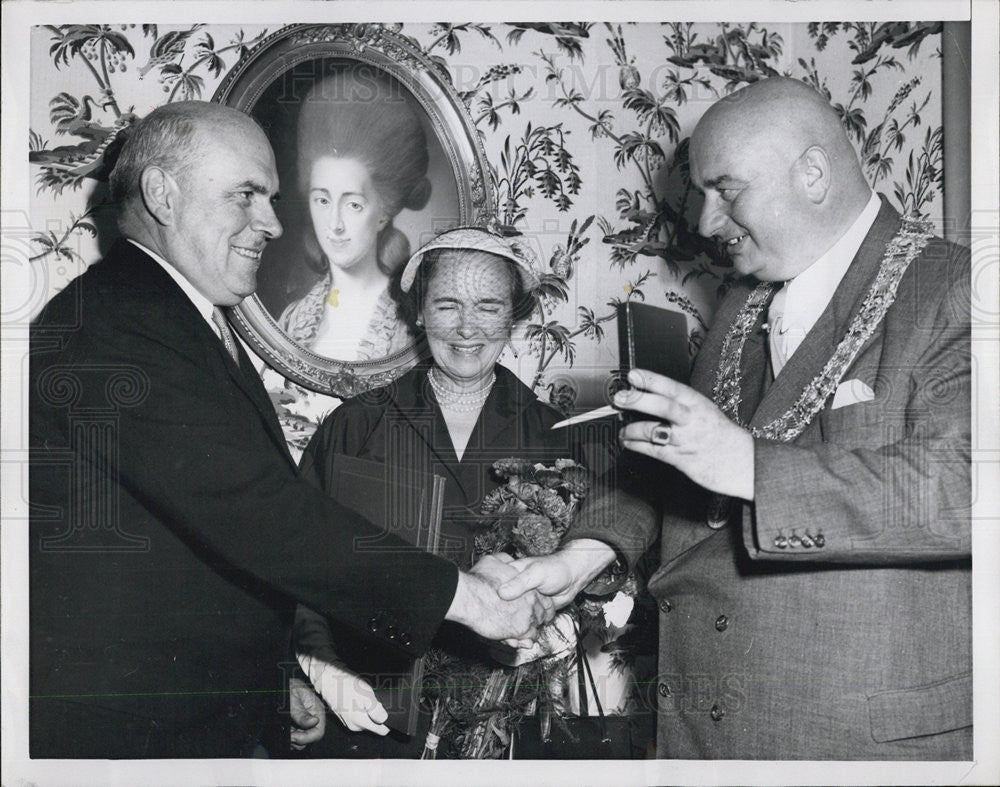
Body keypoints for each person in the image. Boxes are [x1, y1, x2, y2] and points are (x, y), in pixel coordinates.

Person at [28, 102, 552, 759]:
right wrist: (465, 596)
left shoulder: (179, 315)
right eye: (247, 195)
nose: (274, 223)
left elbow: (206, 546)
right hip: (134, 736)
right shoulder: (115, 321)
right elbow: (262, 515)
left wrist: (277, 676)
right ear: (163, 194)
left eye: (272, 198)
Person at [499, 77, 972, 759]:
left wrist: (749, 465)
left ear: (812, 173)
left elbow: (969, 488)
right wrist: (585, 555)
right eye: (702, 193)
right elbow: (673, 462)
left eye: (727, 189)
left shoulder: (957, 287)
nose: (705, 222)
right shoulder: (742, 302)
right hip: (703, 736)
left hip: (858, 747)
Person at [292, 227, 616, 758]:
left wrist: (557, 628)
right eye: (447, 305)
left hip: (506, 728)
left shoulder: (561, 438)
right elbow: (301, 559)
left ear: (513, 316)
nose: (467, 328)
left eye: (488, 306)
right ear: (419, 312)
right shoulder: (355, 428)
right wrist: (318, 663)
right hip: (373, 718)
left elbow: (598, 567)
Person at [279, 65, 428, 362]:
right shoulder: (293, 319)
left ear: (384, 213)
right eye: (322, 201)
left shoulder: (413, 324)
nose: (334, 224)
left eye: (353, 205)